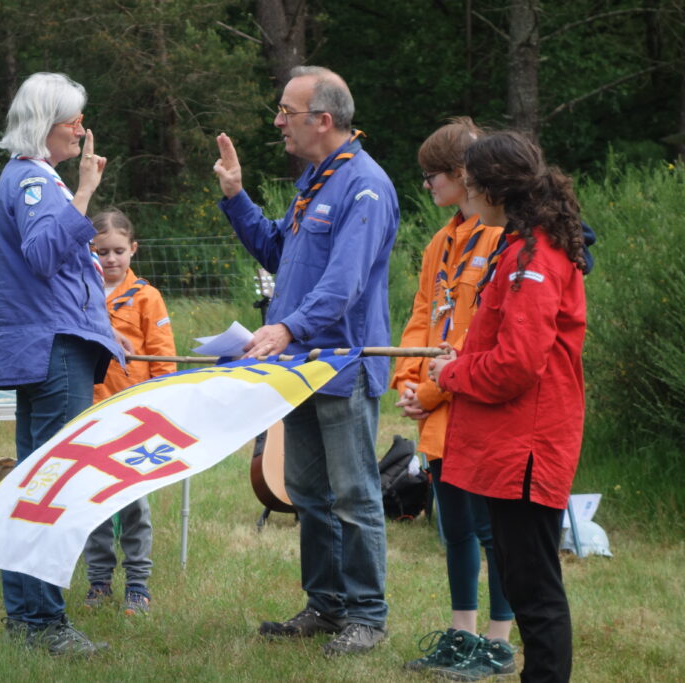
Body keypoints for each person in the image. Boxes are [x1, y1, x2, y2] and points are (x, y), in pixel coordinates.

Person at [213, 65, 398, 656]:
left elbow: (343, 285)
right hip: (299, 368)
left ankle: (366, 615)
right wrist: (236, 197)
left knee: (354, 494)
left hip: (340, 365)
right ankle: (325, 606)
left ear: (323, 119)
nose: (277, 123)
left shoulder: (365, 186)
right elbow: (276, 249)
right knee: (306, 492)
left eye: (286, 113)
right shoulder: (315, 180)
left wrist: (285, 326)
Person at [428, 130, 587, 682]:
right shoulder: (519, 247)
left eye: (469, 186)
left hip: (527, 446)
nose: (465, 197)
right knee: (524, 584)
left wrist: (451, 373)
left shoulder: (532, 256)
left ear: (495, 189)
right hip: (510, 443)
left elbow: (518, 363)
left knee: (535, 592)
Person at [0, 71, 130, 656]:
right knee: (52, 487)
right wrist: (85, 193)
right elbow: (45, 253)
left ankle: (25, 617)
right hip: (55, 349)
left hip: (41, 347)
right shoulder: (32, 182)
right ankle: (45, 623)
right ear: (46, 125)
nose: (81, 128)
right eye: (73, 119)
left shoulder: (30, 178)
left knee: (31, 484)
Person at [391, 118, 516, 678]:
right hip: (437, 411)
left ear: (464, 176)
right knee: (455, 528)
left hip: (474, 407)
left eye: (432, 175)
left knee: (493, 532)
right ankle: (462, 635)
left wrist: (435, 389)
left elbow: (481, 333)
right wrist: (408, 382)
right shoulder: (440, 242)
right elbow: (424, 314)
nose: (426, 185)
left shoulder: (498, 239)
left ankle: (498, 640)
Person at [81, 208, 177, 616]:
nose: (111, 259)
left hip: (134, 415)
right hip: (87, 413)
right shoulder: (79, 291)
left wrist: (159, 408)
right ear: (90, 251)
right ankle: (98, 582)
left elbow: (163, 358)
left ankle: (138, 585)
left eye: (119, 250)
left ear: (133, 249)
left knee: (133, 504)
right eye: (102, 251)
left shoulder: (147, 297)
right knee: (92, 503)